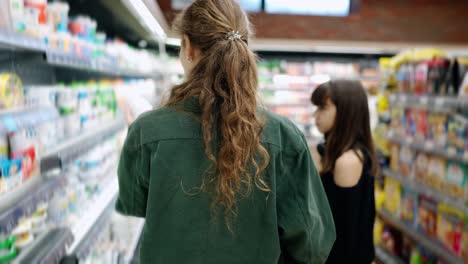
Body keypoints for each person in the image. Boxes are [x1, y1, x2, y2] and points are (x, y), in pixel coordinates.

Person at [116, 0, 335, 263]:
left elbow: (134, 206)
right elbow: (312, 246)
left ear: (188, 48)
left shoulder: (146, 131)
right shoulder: (284, 136)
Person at [310, 80, 378, 264]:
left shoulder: (347, 161)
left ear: (346, 112)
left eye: (323, 108)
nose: (316, 115)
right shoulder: (342, 153)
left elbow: (343, 233)